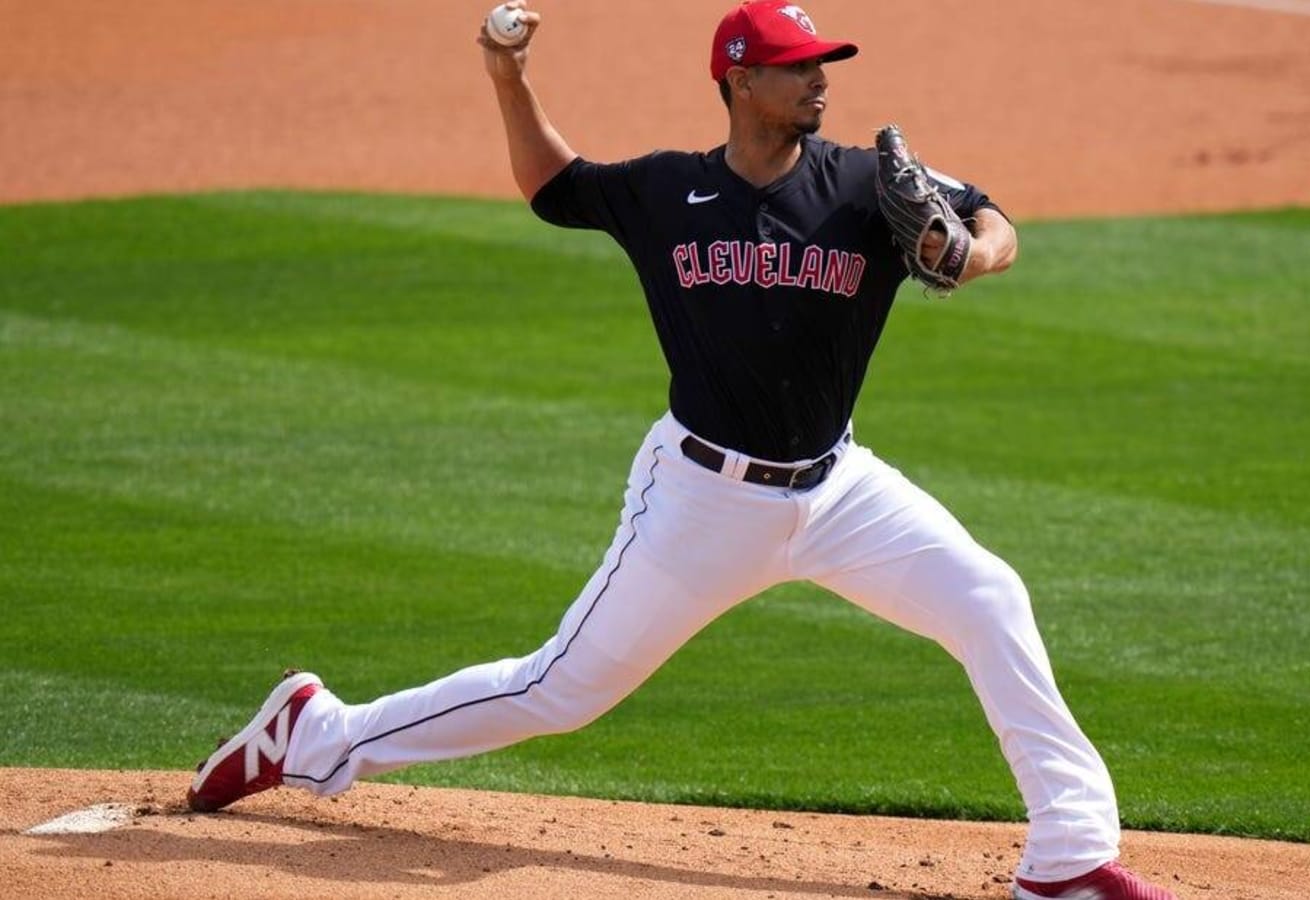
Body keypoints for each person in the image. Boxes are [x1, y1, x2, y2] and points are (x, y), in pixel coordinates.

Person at [186, 3, 1176, 898]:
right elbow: (553, 186)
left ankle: (1068, 859)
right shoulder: (668, 192)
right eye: (798, 67)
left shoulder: (868, 183)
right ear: (740, 80)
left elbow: (989, 215)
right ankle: (315, 732)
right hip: (700, 500)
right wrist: (507, 77)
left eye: (823, 63)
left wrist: (968, 253)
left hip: (840, 491)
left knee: (988, 596)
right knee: (558, 691)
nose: (821, 80)